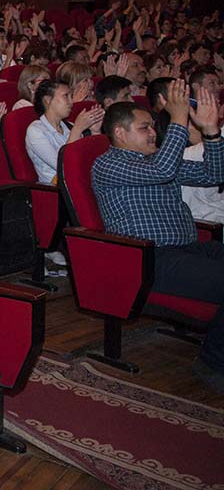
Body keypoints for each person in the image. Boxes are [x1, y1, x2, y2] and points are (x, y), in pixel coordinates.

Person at [91, 83, 224, 391]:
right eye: (145, 128)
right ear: (121, 134)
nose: (153, 132)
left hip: (190, 249)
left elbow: (213, 174)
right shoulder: (109, 164)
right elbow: (163, 170)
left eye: (153, 126)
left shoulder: (154, 161)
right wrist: (178, 119)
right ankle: (213, 362)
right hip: (152, 260)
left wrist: (211, 132)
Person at [26, 80, 104, 185]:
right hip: (55, 190)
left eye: (71, 96)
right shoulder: (35, 130)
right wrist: (77, 129)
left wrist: (95, 131)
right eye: (65, 96)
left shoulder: (69, 126)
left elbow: (94, 161)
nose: (71, 102)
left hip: (80, 181)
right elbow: (62, 165)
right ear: (47, 100)